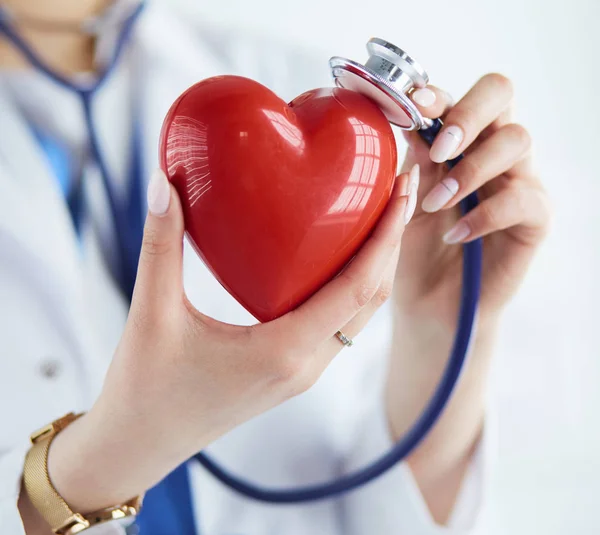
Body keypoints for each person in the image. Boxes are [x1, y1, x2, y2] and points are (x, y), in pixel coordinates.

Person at [0, 1, 551, 534]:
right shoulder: (212, 112)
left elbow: (380, 509)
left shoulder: (334, 113)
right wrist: (119, 452)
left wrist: (440, 333)